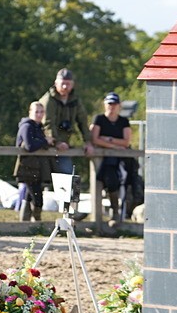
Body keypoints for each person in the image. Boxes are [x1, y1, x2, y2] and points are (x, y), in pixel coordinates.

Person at [39, 68, 93, 174]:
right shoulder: (49, 100)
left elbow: (82, 121)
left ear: (72, 85)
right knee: (38, 177)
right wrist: (57, 142)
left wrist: (87, 141)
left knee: (67, 177)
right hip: (44, 144)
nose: (65, 87)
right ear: (56, 83)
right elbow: (47, 123)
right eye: (62, 83)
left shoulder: (75, 100)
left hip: (63, 146)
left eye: (68, 84)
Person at [91, 92, 133, 224]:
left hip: (120, 160)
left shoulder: (124, 121)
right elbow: (95, 139)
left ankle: (121, 212)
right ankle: (112, 212)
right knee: (107, 181)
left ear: (119, 106)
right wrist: (114, 145)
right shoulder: (99, 119)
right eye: (109, 104)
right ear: (105, 105)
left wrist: (107, 140)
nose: (112, 107)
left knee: (127, 182)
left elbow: (126, 142)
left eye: (114, 104)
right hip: (103, 160)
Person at [14, 101, 52, 221]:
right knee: (37, 197)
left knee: (30, 195)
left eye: (41, 112)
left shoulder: (39, 127)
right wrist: (45, 141)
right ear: (30, 112)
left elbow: (39, 145)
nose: (39, 114)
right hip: (27, 167)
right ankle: (37, 222)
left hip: (37, 167)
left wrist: (44, 142)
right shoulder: (27, 126)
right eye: (36, 111)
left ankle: (25, 222)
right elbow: (29, 146)